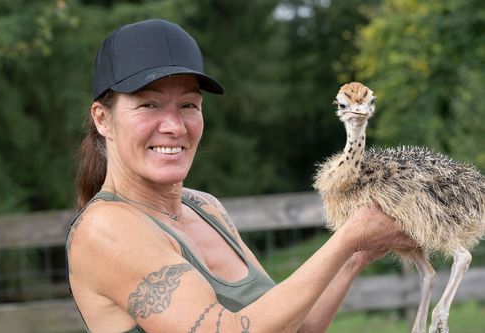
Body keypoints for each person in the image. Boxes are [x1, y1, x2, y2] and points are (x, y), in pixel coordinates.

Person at [66, 18, 416, 333]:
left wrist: (357, 254)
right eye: (149, 105)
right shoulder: (106, 229)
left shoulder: (206, 208)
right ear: (102, 119)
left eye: (188, 105)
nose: (174, 126)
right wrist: (348, 238)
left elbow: (297, 328)